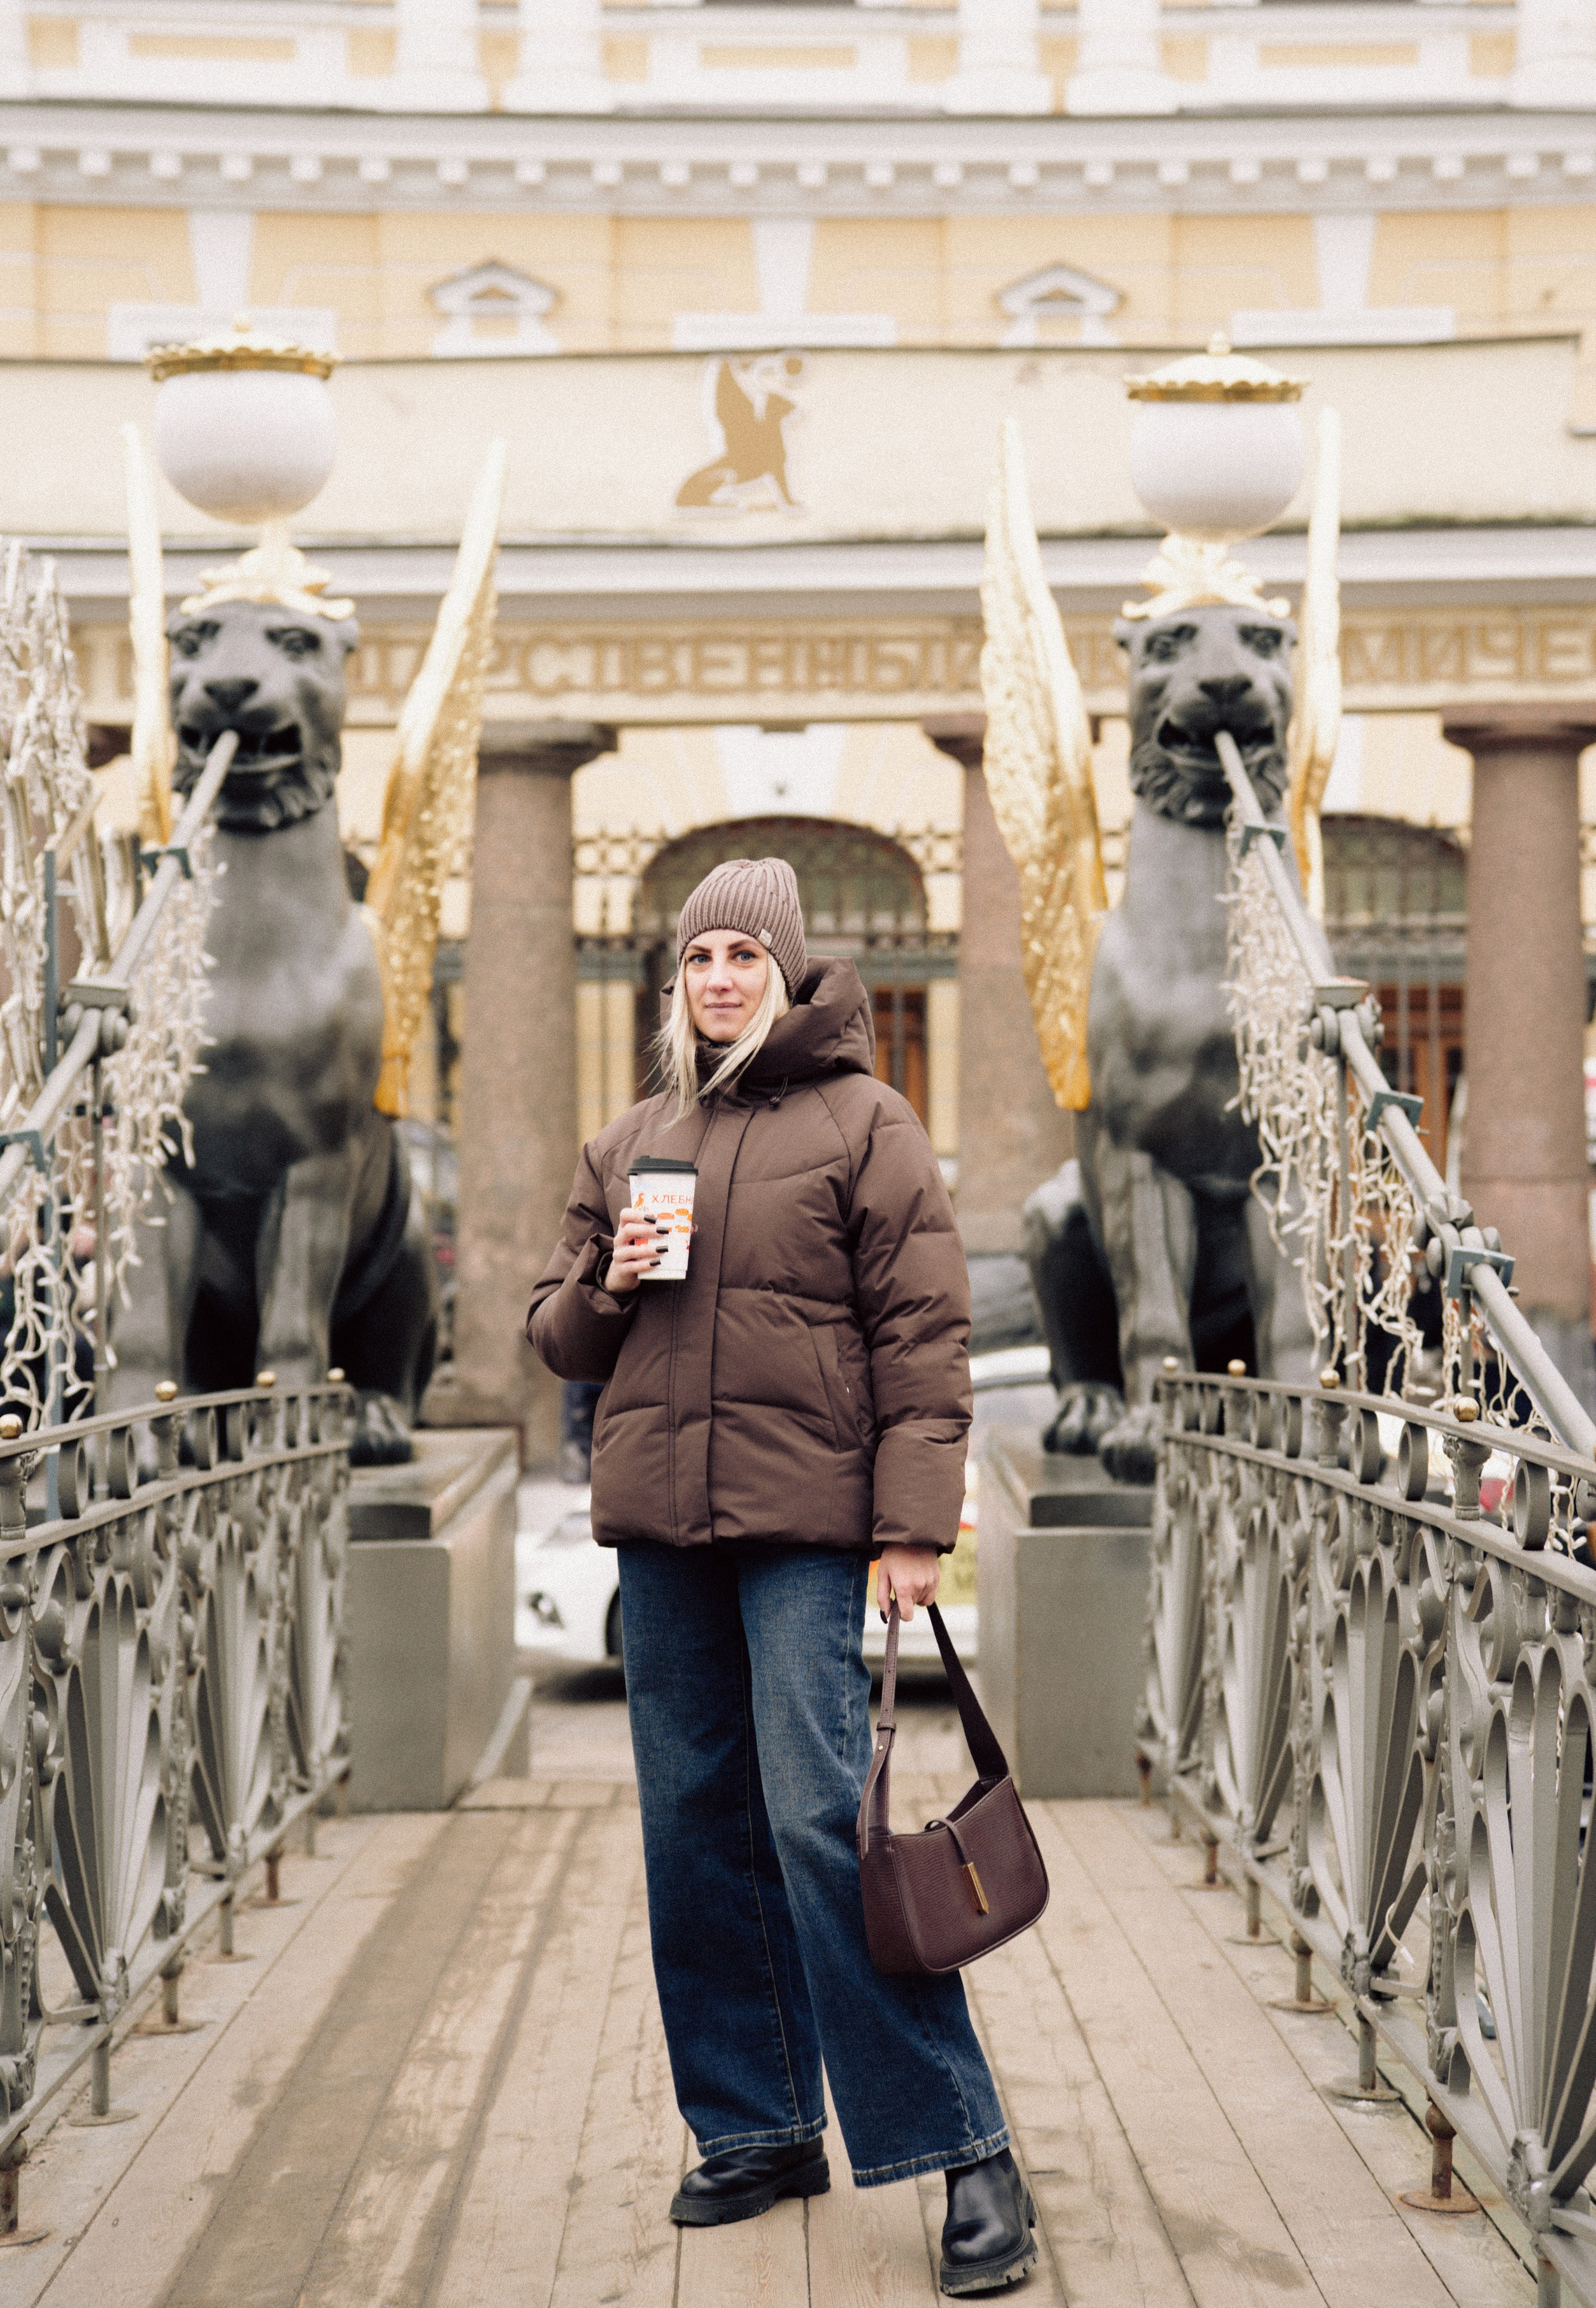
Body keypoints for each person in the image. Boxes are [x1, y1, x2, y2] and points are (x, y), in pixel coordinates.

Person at [527, 856, 1035, 2297]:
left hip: (808, 1526)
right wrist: (610, 1282)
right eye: (699, 958)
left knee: (821, 1820)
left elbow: (923, 1338)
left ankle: (965, 2144)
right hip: (661, 1526)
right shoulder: (631, 1138)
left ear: (789, 970)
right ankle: (755, 2128)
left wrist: (912, 1526)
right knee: (692, 1824)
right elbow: (556, 1336)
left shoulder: (868, 1124)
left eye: (744, 955)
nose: (719, 979)